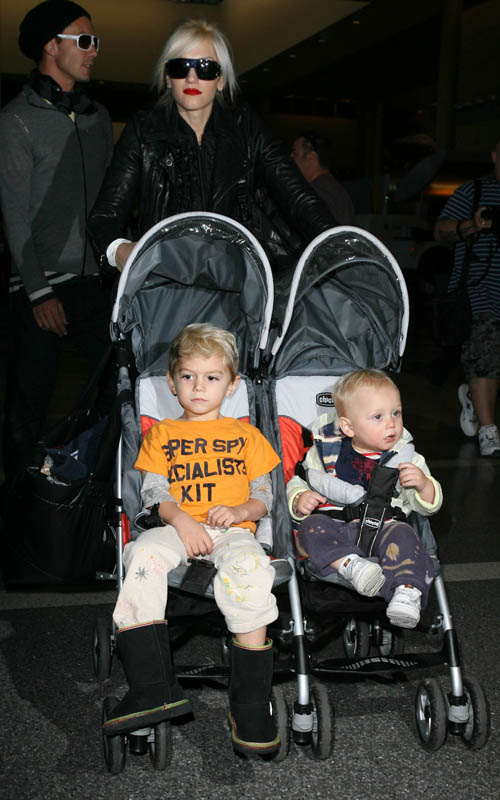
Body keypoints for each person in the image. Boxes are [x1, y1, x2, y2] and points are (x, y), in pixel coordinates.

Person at [105, 323, 282, 756]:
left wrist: (239, 512)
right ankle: (152, 687)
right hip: (176, 527)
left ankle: (249, 704)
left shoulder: (248, 437)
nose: (199, 387)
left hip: (233, 531)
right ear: (172, 381)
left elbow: (264, 497)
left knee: (251, 571)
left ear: (232, 384)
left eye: (212, 377)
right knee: (141, 554)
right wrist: (182, 521)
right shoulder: (162, 434)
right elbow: (153, 492)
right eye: (188, 376)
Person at [87, 18, 336, 275]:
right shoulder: (143, 131)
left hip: (237, 283)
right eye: (180, 67)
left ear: (221, 80)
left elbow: (299, 199)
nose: (191, 77)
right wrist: (118, 250)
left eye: (205, 68)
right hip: (164, 283)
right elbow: (105, 215)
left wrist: (341, 247)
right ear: (168, 78)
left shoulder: (247, 129)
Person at [0, 0, 114, 484]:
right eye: (84, 41)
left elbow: (111, 202)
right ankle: (20, 503)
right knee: (28, 408)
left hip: (96, 283)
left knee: (116, 394)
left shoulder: (97, 117)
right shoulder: (17, 119)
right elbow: (14, 214)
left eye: (95, 41)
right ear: (51, 46)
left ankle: (87, 492)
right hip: (40, 287)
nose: (94, 51)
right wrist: (38, 291)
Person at [287, 369, 442, 629]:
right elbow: (299, 481)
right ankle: (351, 565)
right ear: (348, 426)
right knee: (309, 528)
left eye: (396, 413)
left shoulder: (407, 458)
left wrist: (424, 485)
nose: (391, 423)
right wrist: (299, 499)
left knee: (405, 533)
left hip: (386, 529)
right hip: (336, 528)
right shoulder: (325, 452)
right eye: (378, 417)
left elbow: (428, 506)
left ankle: (406, 592)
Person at [434, 138, 500, 457]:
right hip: (478, 290)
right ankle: (489, 430)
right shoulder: (473, 191)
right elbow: (440, 230)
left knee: (493, 359)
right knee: (483, 354)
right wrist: (473, 224)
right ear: (495, 156)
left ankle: (474, 398)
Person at [291, 131, 355, 225]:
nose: (291, 157)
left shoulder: (317, 192)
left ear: (311, 158)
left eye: (295, 153)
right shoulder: (333, 189)